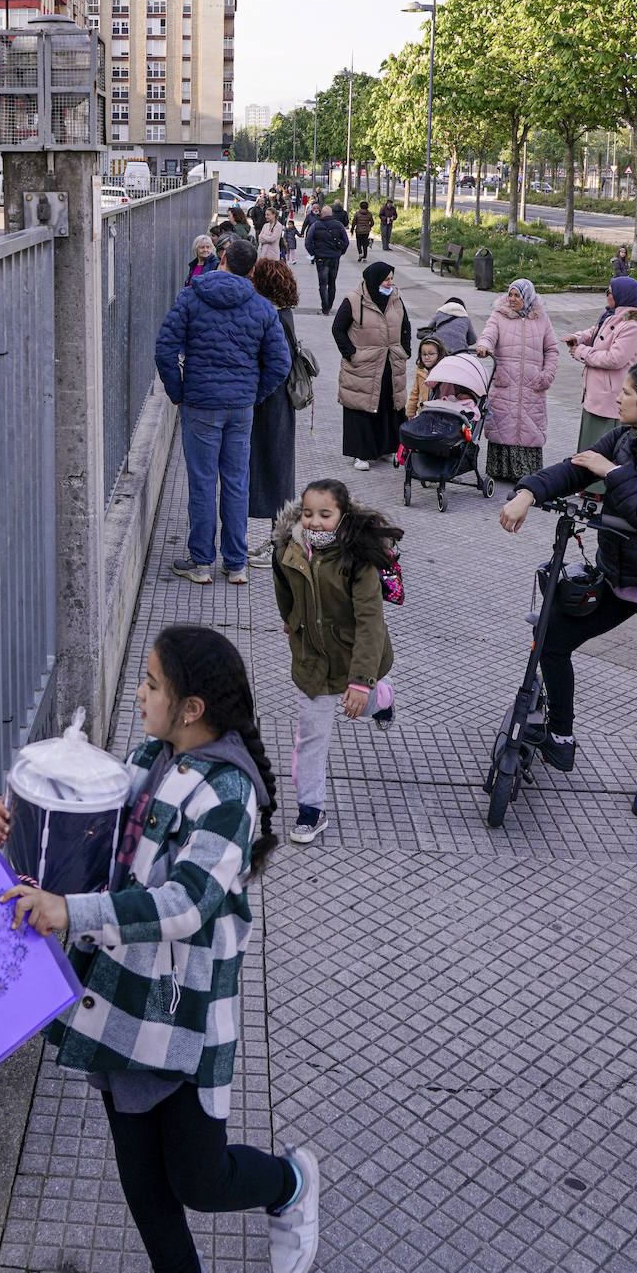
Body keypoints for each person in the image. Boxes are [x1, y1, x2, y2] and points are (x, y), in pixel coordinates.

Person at [0, 624, 320, 1273]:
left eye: (150, 684)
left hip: (182, 1015)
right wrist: (22, 832)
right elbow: (94, 854)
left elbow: (185, 903)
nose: (139, 695)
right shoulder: (148, 758)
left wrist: (70, 912)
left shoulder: (229, 798)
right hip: (115, 997)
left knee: (199, 1180)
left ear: (192, 707)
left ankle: (289, 1184)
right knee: (142, 1183)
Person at [499, 361, 637, 820]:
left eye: (628, 391)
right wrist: (526, 493)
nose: (618, 397)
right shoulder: (621, 439)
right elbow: (572, 470)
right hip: (619, 577)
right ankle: (560, 733)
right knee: (551, 637)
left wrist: (612, 472)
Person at [154, 236, 291, 586]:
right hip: (240, 408)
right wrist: (252, 394)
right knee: (236, 483)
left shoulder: (191, 296)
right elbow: (280, 362)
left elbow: (165, 348)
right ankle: (236, 564)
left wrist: (177, 391)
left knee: (202, 483)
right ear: (252, 269)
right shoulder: (261, 307)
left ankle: (201, 563)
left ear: (223, 257)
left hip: (200, 404)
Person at [271, 478, 399, 843]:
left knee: (362, 701)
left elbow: (370, 621)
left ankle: (382, 698)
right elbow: (284, 588)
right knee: (311, 737)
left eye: (325, 515)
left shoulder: (357, 559)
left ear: (342, 516)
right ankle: (311, 809)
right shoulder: (288, 549)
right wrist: (290, 619)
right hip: (312, 662)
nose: (314, 521)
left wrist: (361, 681)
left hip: (354, 656)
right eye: (308, 513)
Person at [561, 275, 637, 457]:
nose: (607, 296)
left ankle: (601, 485)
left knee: (603, 449)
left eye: (610, 292)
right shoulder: (614, 316)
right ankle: (586, 483)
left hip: (611, 398)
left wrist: (581, 352)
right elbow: (597, 332)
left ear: (623, 296)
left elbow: (615, 359)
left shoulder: (633, 326)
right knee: (590, 445)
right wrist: (579, 337)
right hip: (597, 394)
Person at [475, 278, 559, 483]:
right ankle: (500, 470)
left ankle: (526, 471)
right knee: (503, 423)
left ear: (528, 297)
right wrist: (484, 345)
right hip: (505, 382)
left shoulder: (542, 318)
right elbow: (488, 334)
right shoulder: (499, 315)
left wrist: (547, 375)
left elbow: (552, 350)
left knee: (530, 425)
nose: (512, 299)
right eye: (510, 294)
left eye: (517, 295)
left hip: (533, 385)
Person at [246, 259, 300, 568]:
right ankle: (278, 541)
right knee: (276, 467)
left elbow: (276, 365)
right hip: (277, 401)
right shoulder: (282, 313)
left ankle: (280, 545)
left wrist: (257, 395)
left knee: (276, 470)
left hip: (272, 401)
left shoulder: (275, 318)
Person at [332, 260, 411, 470]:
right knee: (361, 408)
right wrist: (351, 354)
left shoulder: (396, 299)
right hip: (363, 366)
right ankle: (361, 454)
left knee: (387, 405)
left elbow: (406, 327)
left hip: (390, 364)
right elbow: (338, 329)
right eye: (386, 279)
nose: (390, 283)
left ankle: (384, 448)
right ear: (374, 279)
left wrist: (405, 350)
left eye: (392, 279)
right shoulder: (354, 300)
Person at [304, 205, 349, 316]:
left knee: (323, 284)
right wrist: (340, 253)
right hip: (334, 258)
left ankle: (325, 308)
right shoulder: (339, 225)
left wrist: (313, 254)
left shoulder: (315, 225)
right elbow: (346, 242)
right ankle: (329, 307)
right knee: (332, 283)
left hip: (321, 258)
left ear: (322, 214)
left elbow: (308, 241)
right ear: (331, 214)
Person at [406, 336, 449, 419]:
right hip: (423, 412)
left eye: (431, 354)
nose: (426, 357)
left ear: (439, 354)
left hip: (441, 413)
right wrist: (410, 411)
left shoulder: (444, 371)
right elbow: (415, 393)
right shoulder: (421, 371)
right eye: (424, 354)